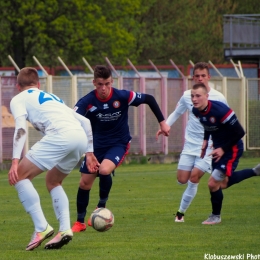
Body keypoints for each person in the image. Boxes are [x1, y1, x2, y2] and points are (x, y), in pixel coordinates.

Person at [8, 67, 99, 250]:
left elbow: (21, 128)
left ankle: (41, 227)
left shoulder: (18, 99)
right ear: (38, 84)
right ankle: (65, 229)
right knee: (53, 181)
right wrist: (89, 152)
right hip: (80, 137)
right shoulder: (52, 98)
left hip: (61, 136)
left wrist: (15, 161)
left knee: (20, 176)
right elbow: (86, 121)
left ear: (18, 86)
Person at [71, 65, 170, 232]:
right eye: (100, 84)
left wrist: (162, 122)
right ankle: (80, 222)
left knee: (103, 170)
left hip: (119, 143)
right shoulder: (86, 102)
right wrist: (86, 151)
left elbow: (150, 99)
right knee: (84, 183)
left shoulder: (123, 96)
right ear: (94, 82)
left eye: (107, 84)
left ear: (112, 82)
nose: (104, 88)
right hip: (95, 147)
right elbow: (72, 119)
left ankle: (100, 207)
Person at [157, 62, 228, 222]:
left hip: (209, 148)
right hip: (190, 146)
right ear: (193, 78)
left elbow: (228, 120)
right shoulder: (187, 96)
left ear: (209, 77)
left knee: (194, 177)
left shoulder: (219, 98)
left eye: (203, 75)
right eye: (197, 76)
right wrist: (165, 126)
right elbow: (177, 112)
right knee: (182, 179)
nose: (200, 78)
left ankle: (180, 214)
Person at [191, 83, 260, 224]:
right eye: (192, 96)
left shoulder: (220, 111)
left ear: (206, 96)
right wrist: (205, 141)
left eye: (198, 96)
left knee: (212, 183)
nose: (194, 99)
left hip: (231, 149)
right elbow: (207, 125)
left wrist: (223, 149)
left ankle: (215, 216)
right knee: (222, 183)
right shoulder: (196, 110)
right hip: (217, 149)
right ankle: (255, 171)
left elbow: (240, 132)